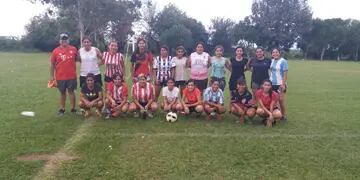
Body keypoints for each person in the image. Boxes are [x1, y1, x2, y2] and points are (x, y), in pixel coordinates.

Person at [49, 33, 78, 116]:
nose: (64, 41)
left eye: (66, 39)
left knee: (71, 92)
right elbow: (52, 64)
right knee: (62, 93)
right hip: (60, 76)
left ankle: (73, 109)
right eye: (62, 39)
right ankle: (62, 109)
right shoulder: (55, 51)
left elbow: (78, 59)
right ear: (60, 41)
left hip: (71, 76)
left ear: (68, 40)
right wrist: (51, 77)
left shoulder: (74, 49)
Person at [270, 48, 289, 121]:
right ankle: (276, 115)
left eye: (276, 52)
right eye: (273, 52)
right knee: (274, 100)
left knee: (281, 100)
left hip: (280, 84)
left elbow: (285, 74)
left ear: (279, 53)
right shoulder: (272, 61)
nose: (275, 54)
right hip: (272, 84)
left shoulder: (283, 61)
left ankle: (283, 116)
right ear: (272, 54)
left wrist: (283, 84)